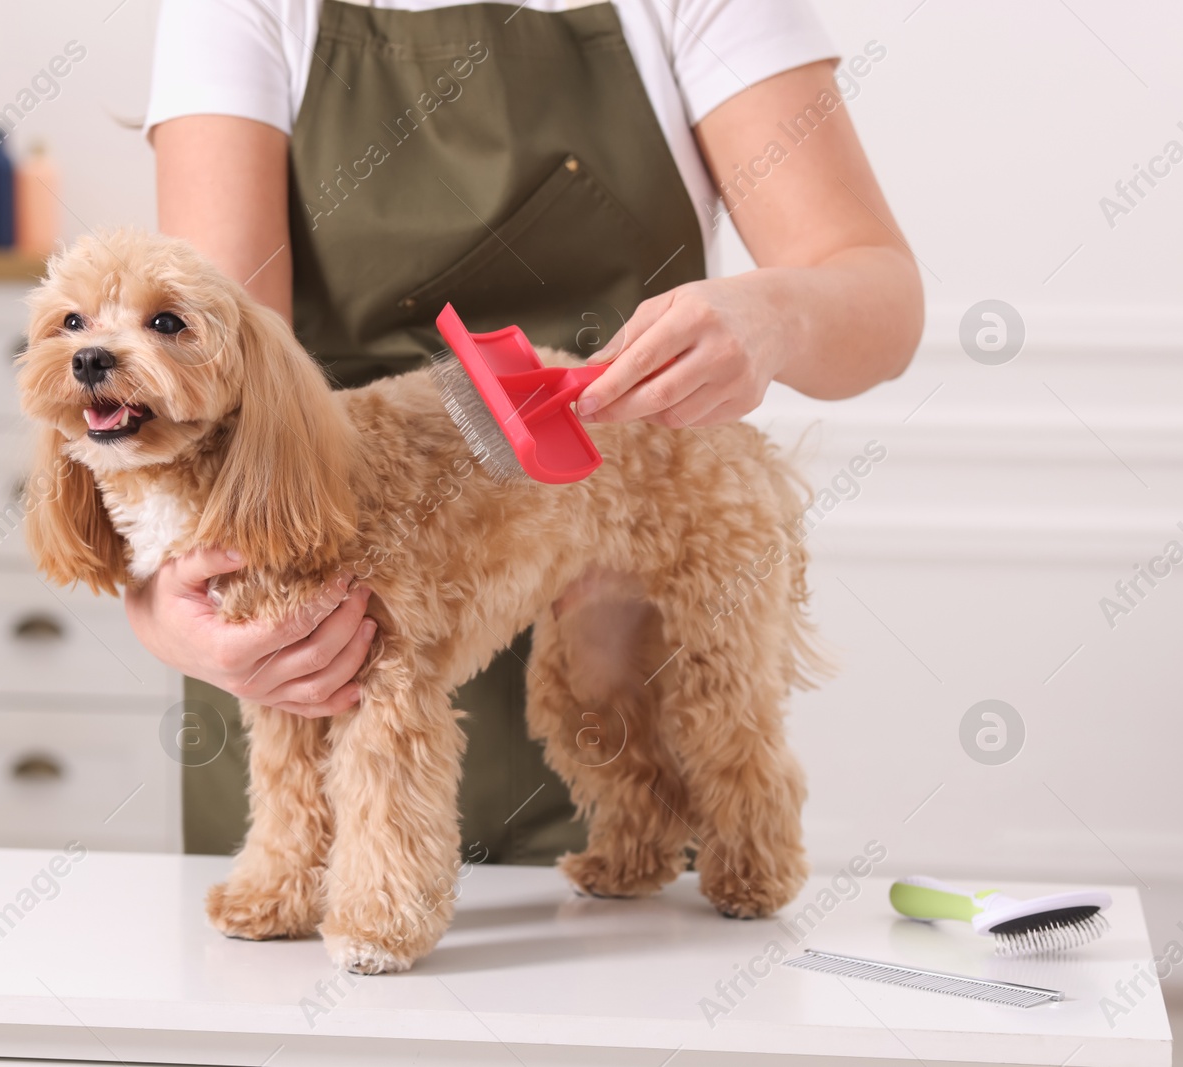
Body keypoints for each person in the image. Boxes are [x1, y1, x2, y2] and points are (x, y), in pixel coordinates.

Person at [135, 0, 924, 862]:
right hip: (313, 653)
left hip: (617, 642)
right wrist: (159, 606)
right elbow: (199, 373)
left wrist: (777, 315)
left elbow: (881, 296)